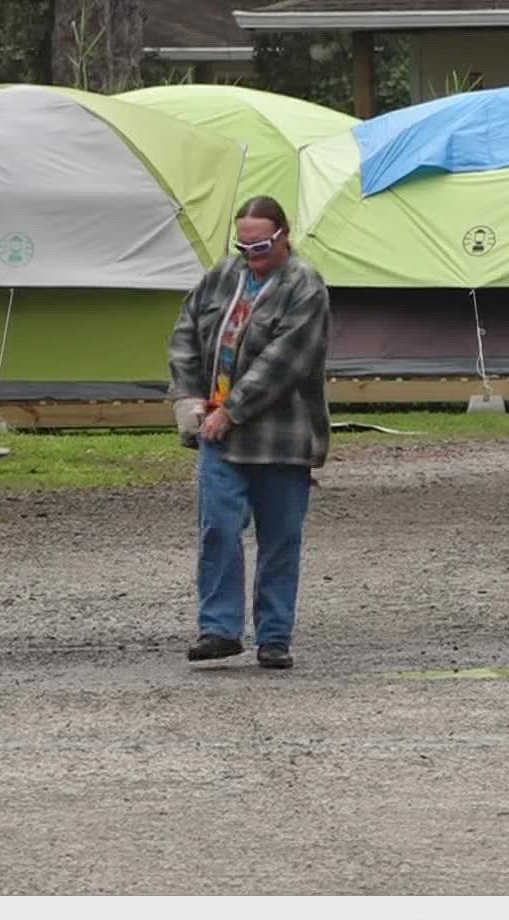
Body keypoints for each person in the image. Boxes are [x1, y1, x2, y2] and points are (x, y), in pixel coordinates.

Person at [168, 196, 331, 670]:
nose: (251, 254)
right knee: (217, 528)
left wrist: (231, 411)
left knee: (280, 538)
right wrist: (187, 396)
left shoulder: (306, 286)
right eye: (244, 245)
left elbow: (285, 362)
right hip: (219, 436)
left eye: (260, 245)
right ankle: (218, 629)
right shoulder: (222, 276)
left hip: (281, 439)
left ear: (283, 236)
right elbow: (185, 331)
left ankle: (274, 636)